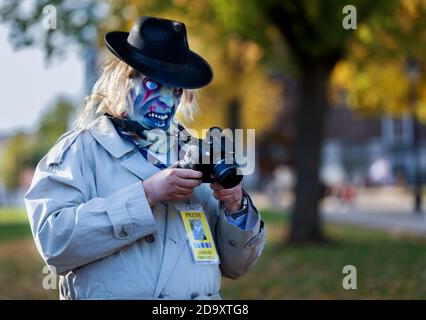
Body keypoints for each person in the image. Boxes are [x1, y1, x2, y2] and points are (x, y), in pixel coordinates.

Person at [25, 16, 265, 300]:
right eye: (154, 85)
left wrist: (235, 206)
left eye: (176, 90)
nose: (167, 102)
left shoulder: (197, 153)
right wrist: (147, 194)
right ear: (123, 80)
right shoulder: (79, 151)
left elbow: (237, 266)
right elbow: (55, 244)